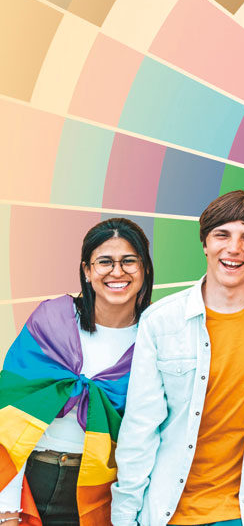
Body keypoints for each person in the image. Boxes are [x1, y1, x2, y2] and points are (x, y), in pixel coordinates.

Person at [111, 191, 244, 526]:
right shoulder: (161, 321)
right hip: (169, 512)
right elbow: (140, 428)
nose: (234, 248)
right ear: (205, 243)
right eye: (222, 235)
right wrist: (125, 517)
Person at [0, 218, 153, 526]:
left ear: (145, 269)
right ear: (86, 270)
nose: (117, 272)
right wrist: (7, 510)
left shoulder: (155, 338)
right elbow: (8, 419)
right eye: (105, 262)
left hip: (106, 495)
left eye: (129, 262)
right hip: (31, 481)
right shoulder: (51, 319)